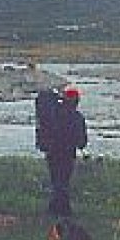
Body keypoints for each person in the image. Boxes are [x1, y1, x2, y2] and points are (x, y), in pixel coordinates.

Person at [41, 85, 88, 217]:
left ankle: (55, 209)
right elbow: (82, 141)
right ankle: (63, 210)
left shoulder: (54, 114)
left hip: (52, 151)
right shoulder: (77, 117)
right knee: (63, 180)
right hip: (68, 153)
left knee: (56, 179)